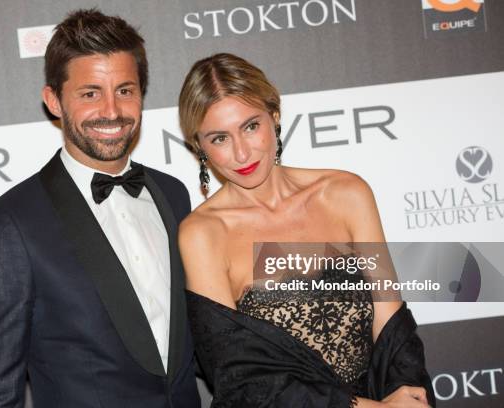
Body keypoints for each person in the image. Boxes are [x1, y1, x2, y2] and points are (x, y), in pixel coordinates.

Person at [0, 9, 200, 407]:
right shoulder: (11, 226)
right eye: (90, 93)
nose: (111, 110)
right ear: (54, 101)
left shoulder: (173, 194)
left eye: (125, 90)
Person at [177, 53, 435, 407]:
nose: (241, 152)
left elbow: (390, 319)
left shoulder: (346, 193)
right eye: (219, 138)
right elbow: (239, 376)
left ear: (275, 116)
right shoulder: (204, 233)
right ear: (199, 146)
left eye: (251, 126)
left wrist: (406, 395)